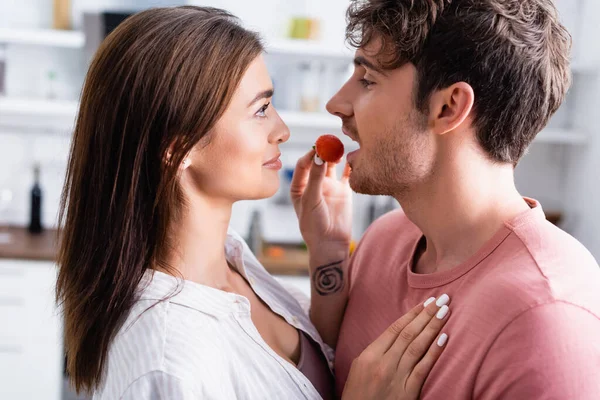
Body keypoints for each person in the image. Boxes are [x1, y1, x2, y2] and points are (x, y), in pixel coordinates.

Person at [56, 6, 450, 400]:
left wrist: (327, 251)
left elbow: (307, 370)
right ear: (179, 150)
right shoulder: (167, 364)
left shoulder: (231, 262)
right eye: (260, 110)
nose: (281, 129)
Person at [292, 0, 600, 398]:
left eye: (368, 81)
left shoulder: (547, 316)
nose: (337, 104)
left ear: (449, 107)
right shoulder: (385, 239)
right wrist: (330, 255)